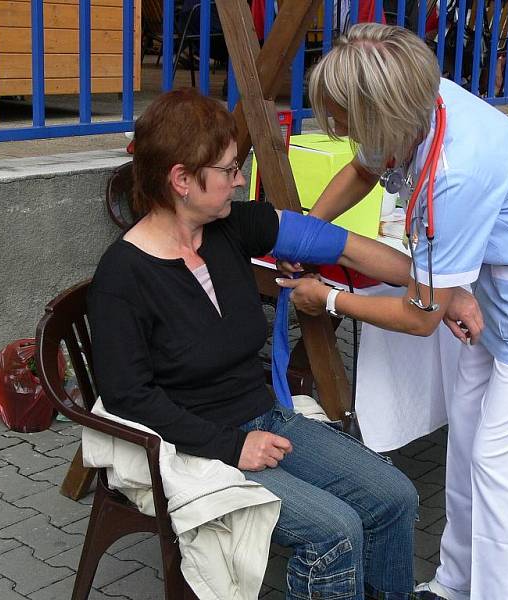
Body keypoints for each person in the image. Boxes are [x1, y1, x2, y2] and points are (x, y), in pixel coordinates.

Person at [87, 88, 473, 600]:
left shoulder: (230, 225)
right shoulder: (122, 276)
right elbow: (128, 396)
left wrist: (441, 290)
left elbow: (344, 248)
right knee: (333, 533)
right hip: (198, 443)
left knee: (395, 497)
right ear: (182, 180)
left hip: (264, 416)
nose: (240, 179)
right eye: (228, 170)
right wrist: (231, 446)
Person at [278, 23, 508, 600]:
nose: (342, 131)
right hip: (497, 277)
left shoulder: (457, 168)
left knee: (505, 471)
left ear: (383, 108)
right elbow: (363, 168)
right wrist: (308, 231)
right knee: (470, 446)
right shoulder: (415, 102)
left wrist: (327, 297)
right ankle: (455, 583)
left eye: (345, 118)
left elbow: (418, 316)